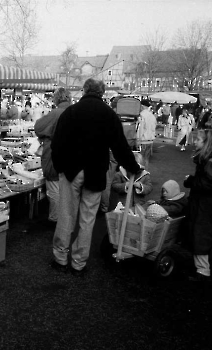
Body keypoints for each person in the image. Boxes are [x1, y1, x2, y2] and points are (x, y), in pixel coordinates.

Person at [50, 78, 142, 276]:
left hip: (71, 171)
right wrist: (133, 167)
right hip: (95, 171)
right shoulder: (108, 114)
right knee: (87, 219)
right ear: (102, 92)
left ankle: (60, 258)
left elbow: (57, 144)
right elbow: (120, 146)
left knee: (66, 215)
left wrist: (61, 167)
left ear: (84, 90)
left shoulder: (71, 112)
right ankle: (79, 262)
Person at [183, 129, 212, 282]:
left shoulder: (211, 162)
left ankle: (203, 272)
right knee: (201, 233)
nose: (195, 141)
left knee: (201, 233)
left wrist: (191, 180)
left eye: (198, 140)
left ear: (206, 143)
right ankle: (202, 268)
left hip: (206, 206)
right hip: (207, 205)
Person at [34, 87, 72, 227]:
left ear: (56, 99)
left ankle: (55, 218)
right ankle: (66, 217)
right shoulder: (75, 111)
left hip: (54, 155)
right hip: (72, 157)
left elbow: (38, 127)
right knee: (67, 189)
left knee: (54, 188)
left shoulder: (56, 113)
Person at [136, 99, 157, 169]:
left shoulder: (141, 115)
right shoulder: (152, 115)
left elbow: (140, 128)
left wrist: (138, 139)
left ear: (142, 106)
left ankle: (140, 175)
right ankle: (146, 174)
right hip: (150, 139)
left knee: (140, 159)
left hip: (143, 139)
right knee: (146, 159)